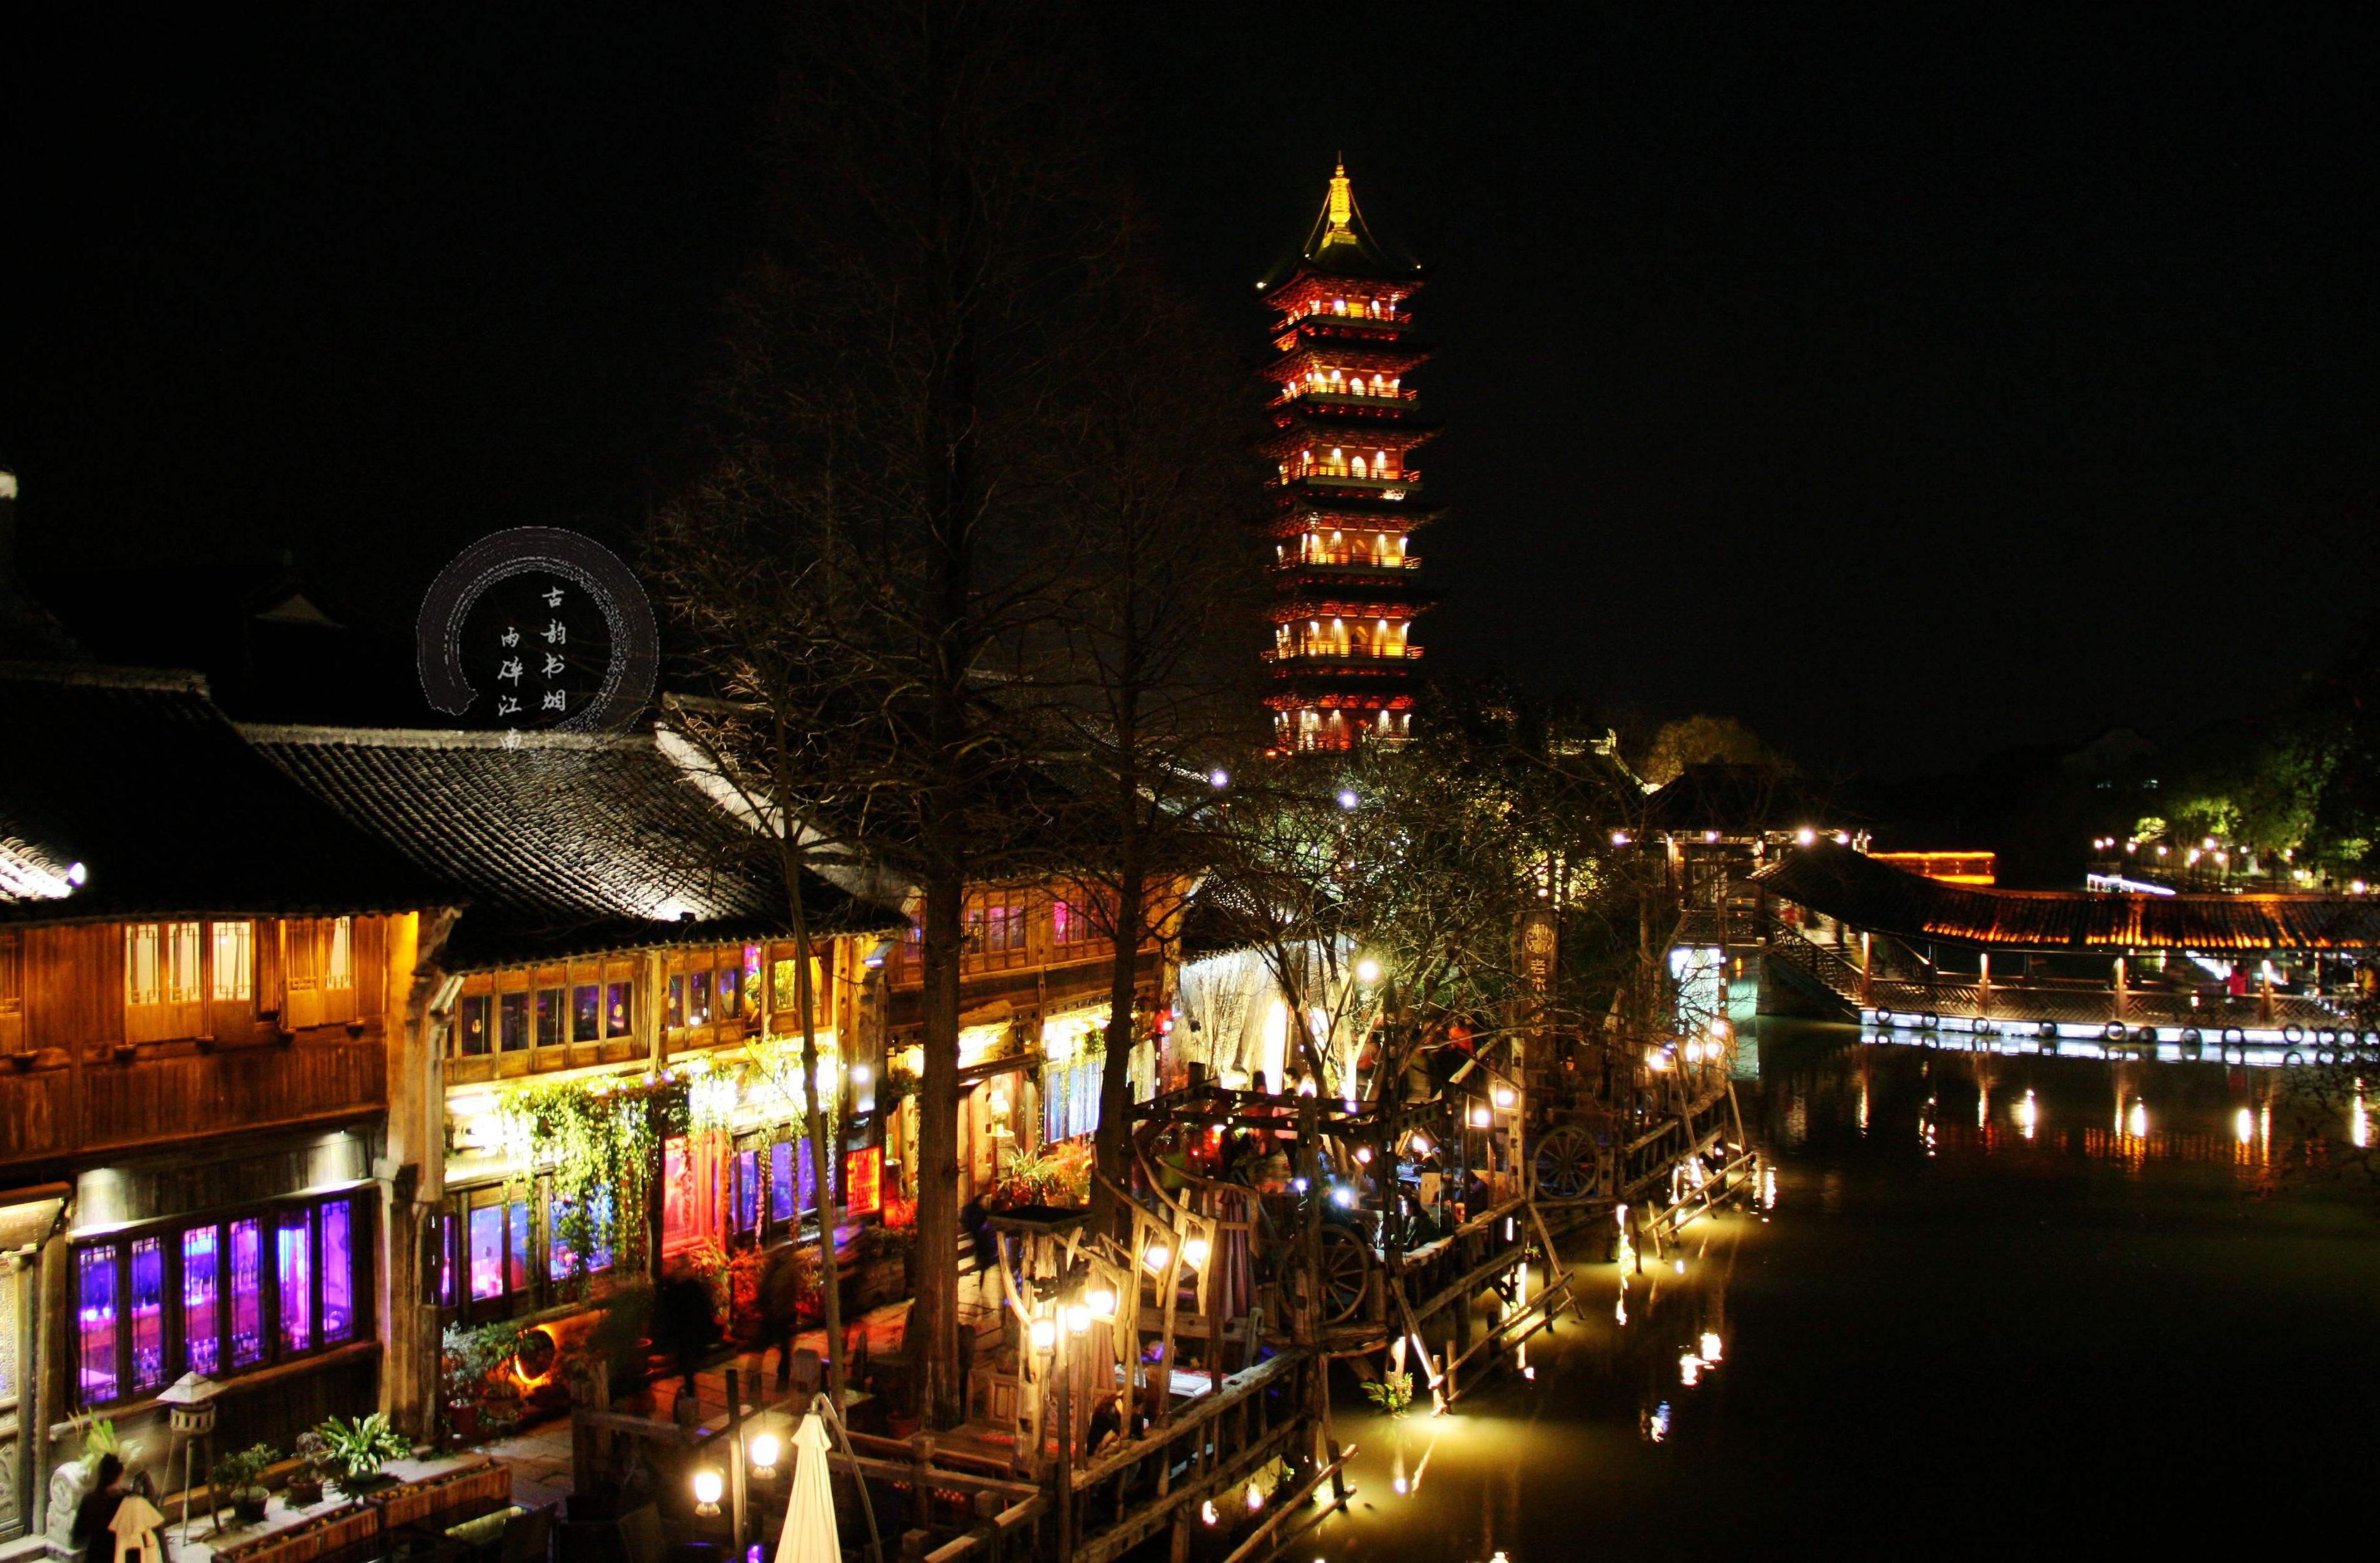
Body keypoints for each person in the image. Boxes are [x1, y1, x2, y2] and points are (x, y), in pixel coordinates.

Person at [650, 1262, 720, 1411]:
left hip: (686, 1337)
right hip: (691, 1336)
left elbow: (667, 1316)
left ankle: (690, 1402)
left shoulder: (675, 1291)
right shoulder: (693, 1288)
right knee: (689, 1370)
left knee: (688, 1369)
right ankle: (690, 1399)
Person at [757, 1244, 805, 1391]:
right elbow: (795, 1288)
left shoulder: (772, 1266)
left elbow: (763, 1288)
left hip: (773, 1314)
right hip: (784, 1314)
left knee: (763, 1348)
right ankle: (782, 1381)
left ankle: (755, 1381)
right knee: (785, 1349)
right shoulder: (790, 1267)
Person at [71, 1456, 125, 1563]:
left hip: (95, 1556)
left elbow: (77, 1536)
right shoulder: (126, 1500)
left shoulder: (89, 1499)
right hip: (120, 1556)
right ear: (120, 1475)